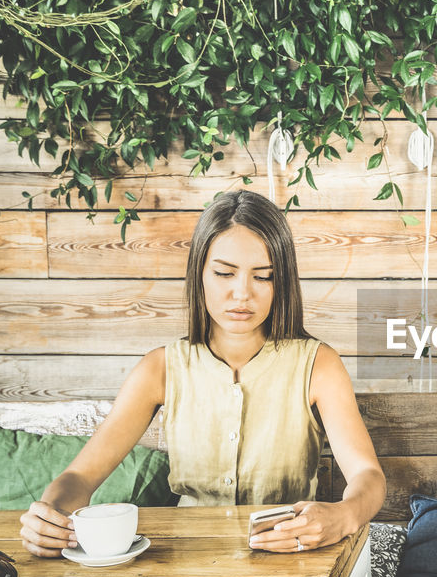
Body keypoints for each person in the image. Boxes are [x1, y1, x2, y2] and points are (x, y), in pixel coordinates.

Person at [20, 190, 386, 556]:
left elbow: (367, 475)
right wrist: (51, 514)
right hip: (186, 561)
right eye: (224, 273)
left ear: (282, 283)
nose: (241, 294)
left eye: (263, 276)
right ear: (200, 274)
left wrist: (344, 515)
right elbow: (79, 477)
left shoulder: (319, 365)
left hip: (289, 559)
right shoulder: (159, 368)